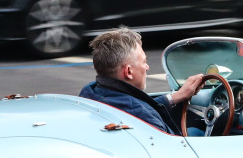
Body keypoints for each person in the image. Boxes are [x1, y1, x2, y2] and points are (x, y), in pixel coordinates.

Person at [78, 27, 206, 135]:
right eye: (144, 62)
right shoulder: (147, 119)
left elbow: (133, 106)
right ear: (129, 72)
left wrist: (175, 97)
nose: (147, 67)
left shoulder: (89, 91)